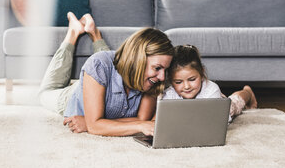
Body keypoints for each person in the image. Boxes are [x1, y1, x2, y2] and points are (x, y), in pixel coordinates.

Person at [38, 12, 174, 137]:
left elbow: (142, 118)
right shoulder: (99, 65)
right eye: (157, 68)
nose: (162, 77)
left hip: (105, 79)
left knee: (112, 63)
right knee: (44, 94)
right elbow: (96, 127)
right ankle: (73, 32)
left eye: (165, 70)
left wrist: (93, 122)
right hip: (72, 95)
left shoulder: (153, 80)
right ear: (138, 59)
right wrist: (96, 124)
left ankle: (95, 35)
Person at [162, 44, 257, 121]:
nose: (186, 86)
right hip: (207, 107)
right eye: (178, 82)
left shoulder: (212, 89)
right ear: (170, 80)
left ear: (202, 73)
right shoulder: (168, 94)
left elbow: (214, 121)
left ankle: (248, 92)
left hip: (221, 108)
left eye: (192, 79)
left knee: (236, 102)